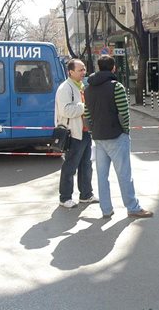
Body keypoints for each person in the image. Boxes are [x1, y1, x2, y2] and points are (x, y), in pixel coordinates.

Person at [84, 55, 153, 219]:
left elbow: (87, 115)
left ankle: (106, 210)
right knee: (124, 174)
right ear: (113, 68)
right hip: (116, 136)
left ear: (99, 67)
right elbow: (124, 113)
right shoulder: (117, 87)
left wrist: (94, 131)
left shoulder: (88, 89)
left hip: (99, 137)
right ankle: (132, 207)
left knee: (102, 176)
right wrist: (125, 130)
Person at [55, 59, 98, 208]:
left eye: (84, 69)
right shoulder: (64, 88)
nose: (83, 72)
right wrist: (84, 106)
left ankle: (86, 194)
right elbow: (65, 110)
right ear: (71, 72)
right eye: (80, 70)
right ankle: (65, 197)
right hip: (73, 133)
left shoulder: (81, 86)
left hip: (85, 132)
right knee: (70, 167)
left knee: (86, 165)